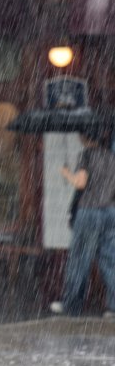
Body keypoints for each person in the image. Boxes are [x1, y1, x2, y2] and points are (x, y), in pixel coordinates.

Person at [51, 122, 115, 317]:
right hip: (109, 212)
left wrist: (66, 173)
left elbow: (80, 183)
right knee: (109, 259)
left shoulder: (86, 155)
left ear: (85, 137)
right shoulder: (111, 156)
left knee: (79, 259)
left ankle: (71, 305)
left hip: (89, 211)